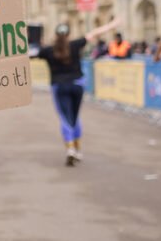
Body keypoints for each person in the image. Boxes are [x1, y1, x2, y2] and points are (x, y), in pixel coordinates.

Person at [36, 18, 119, 166]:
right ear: (68, 34)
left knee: (65, 118)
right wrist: (111, 25)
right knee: (75, 117)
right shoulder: (75, 45)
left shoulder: (48, 50)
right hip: (77, 85)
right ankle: (78, 149)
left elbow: (32, 52)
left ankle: (70, 148)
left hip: (59, 86)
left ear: (55, 35)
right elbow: (93, 33)